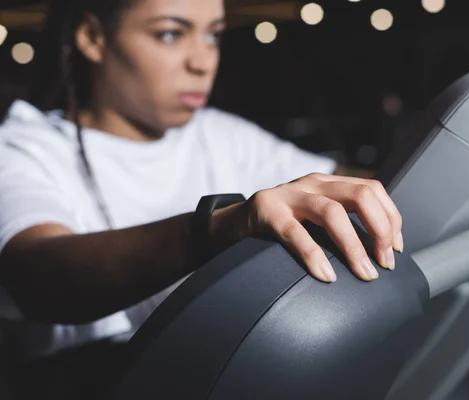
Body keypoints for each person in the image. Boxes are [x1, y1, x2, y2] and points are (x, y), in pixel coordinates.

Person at [0, 0, 404, 397]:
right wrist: (216, 227)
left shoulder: (219, 135)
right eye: (171, 34)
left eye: (213, 36)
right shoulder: (24, 148)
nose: (203, 61)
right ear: (92, 37)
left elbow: (351, 186)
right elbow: (37, 272)